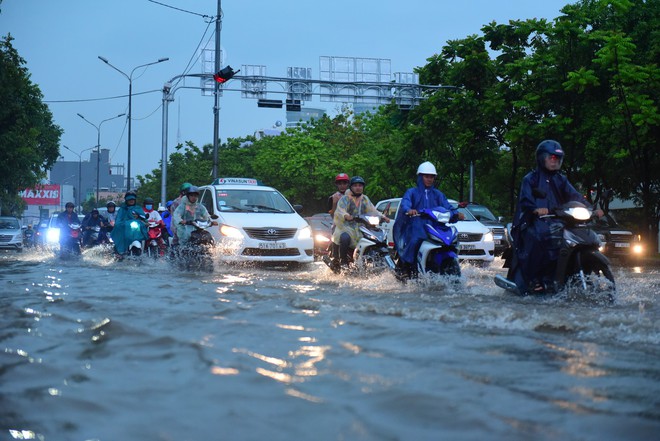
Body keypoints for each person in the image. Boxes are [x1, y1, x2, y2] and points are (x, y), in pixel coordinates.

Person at [510, 139, 603, 293]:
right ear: (542, 158)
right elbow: (525, 200)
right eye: (552, 158)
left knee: (578, 236)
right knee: (540, 236)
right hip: (531, 221)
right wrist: (536, 209)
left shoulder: (561, 179)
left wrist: (591, 208)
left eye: (558, 159)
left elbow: (575, 196)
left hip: (557, 220)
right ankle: (535, 280)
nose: (555, 162)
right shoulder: (530, 179)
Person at [393, 161, 463, 278]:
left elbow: (447, 206)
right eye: (426, 176)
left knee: (448, 241)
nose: (429, 179)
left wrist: (456, 214)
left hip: (435, 226)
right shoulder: (412, 192)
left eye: (432, 177)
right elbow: (405, 204)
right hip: (416, 225)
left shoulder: (438, 194)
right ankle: (406, 266)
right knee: (415, 240)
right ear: (420, 177)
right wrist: (409, 210)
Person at [332, 176, 389, 268]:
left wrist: (383, 216)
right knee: (344, 238)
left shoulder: (365, 199)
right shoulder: (345, 199)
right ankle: (343, 263)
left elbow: (373, 210)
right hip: (347, 227)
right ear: (351, 187)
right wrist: (346, 215)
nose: (358, 187)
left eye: (360, 185)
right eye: (355, 185)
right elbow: (340, 210)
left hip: (362, 227)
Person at [112, 191, 148, 258]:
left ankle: (145, 251)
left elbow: (144, 218)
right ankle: (120, 253)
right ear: (126, 200)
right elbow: (118, 220)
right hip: (125, 229)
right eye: (129, 199)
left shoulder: (138, 208)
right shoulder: (122, 209)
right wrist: (120, 224)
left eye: (132, 199)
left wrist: (145, 222)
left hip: (136, 231)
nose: (131, 201)